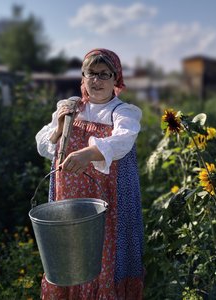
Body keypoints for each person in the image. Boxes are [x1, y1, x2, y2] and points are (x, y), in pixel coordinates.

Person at [35, 48, 144, 299]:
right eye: (90, 74)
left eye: (104, 74)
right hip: (68, 196)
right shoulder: (71, 107)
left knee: (103, 249)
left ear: (116, 79)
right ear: (82, 78)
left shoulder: (122, 112)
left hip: (108, 196)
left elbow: (122, 142)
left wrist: (87, 154)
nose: (96, 80)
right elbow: (44, 145)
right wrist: (60, 128)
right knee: (72, 250)